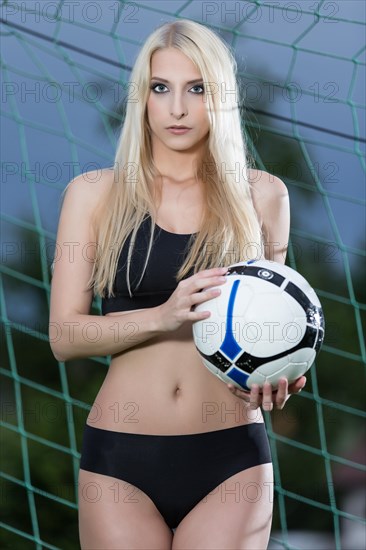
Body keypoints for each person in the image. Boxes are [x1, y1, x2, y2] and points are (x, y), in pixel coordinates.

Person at [49, 19, 306, 550]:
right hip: (121, 460)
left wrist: (285, 372)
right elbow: (65, 337)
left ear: (221, 98)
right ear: (142, 98)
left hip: (231, 457)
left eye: (197, 89)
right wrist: (164, 316)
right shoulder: (94, 195)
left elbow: (283, 322)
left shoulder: (264, 196)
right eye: (161, 89)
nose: (178, 109)